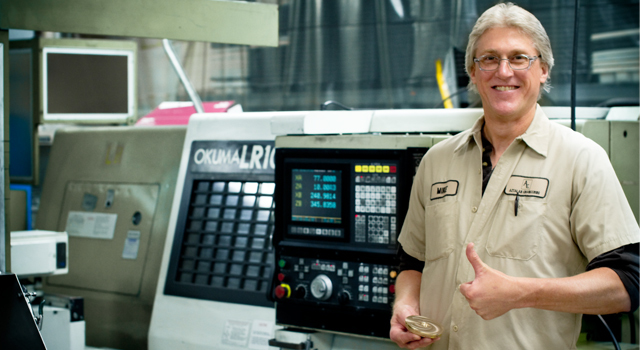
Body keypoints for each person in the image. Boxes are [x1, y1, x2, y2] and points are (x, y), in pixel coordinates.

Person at [389, 3, 640, 349]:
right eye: (488, 59)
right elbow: (411, 259)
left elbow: (628, 283)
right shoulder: (437, 161)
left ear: (544, 70)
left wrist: (522, 293)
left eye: (519, 58)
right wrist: (404, 304)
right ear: (473, 74)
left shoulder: (581, 159)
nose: (503, 71)